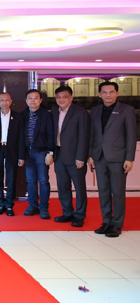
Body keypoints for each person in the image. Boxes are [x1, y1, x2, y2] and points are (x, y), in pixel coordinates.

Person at [89, 81, 136, 238]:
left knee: (117, 192)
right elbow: (92, 134)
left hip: (118, 158)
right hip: (99, 157)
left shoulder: (127, 110)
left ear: (117, 93)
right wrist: (90, 154)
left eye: (111, 92)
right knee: (103, 191)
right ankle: (106, 221)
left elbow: (131, 135)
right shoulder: (95, 111)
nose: (108, 95)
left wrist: (129, 158)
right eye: (104, 92)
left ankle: (117, 224)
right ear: (99, 94)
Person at [48, 86, 90, 227]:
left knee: (79, 188)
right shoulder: (54, 112)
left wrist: (81, 157)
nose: (61, 99)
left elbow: (84, 136)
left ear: (71, 97)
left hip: (75, 156)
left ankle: (79, 216)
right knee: (63, 186)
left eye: (64, 97)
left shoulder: (81, 113)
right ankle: (67, 213)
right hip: (59, 155)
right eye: (58, 97)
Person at [0, 93, 25, 217]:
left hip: (12, 150)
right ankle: (0, 203)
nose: (4, 103)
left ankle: (9, 204)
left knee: (11, 177)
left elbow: (21, 137)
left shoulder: (18, 116)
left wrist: (21, 156)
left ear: (11, 101)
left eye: (6, 100)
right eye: (1, 100)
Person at [22, 89, 55, 220]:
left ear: (40, 100)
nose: (33, 101)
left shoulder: (46, 115)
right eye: (30, 98)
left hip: (42, 152)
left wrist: (50, 152)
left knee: (43, 181)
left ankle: (44, 207)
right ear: (26, 100)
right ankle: (33, 205)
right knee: (30, 181)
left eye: (36, 98)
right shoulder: (23, 115)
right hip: (27, 153)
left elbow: (51, 134)